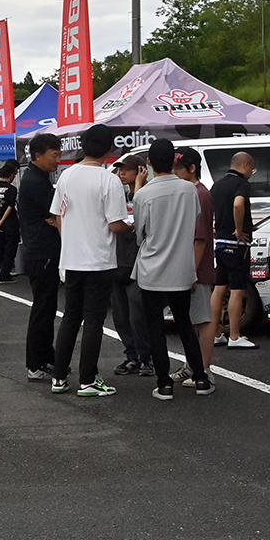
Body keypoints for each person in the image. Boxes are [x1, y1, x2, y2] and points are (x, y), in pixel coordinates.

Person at [47, 124, 128, 397]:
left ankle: (59, 377)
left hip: (71, 259)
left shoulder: (66, 175)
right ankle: (87, 380)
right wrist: (133, 226)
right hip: (99, 260)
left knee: (71, 316)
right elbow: (116, 225)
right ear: (108, 149)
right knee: (93, 320)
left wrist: (70, 238)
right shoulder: (109, 179)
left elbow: (58, 216)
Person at [134, 137, 212, 399]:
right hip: (182, 267)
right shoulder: (190, 191)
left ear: (150, 162)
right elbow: (195, 223)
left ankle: (164, 383)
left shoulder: (143, 194)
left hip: (152, 269)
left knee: (155, 326)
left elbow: (140, 234)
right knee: (185, 324)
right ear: (173, 161)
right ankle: (200, 378)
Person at [17, 133, 63, 381]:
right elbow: (58, 211)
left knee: (47, 308)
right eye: (54, 155)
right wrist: (56, 218)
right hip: (41, 252)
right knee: (43, 309)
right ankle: (35, 363)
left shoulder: (38, 178)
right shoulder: (35, 181)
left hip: (42, 251)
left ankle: (45, 358)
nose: (58, 159)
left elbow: (56, 215)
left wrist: (56, 218)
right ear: (38, 155)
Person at [172, 149, 218, 386]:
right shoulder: (191, 192)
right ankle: (192, 365)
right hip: (190, 267)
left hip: (196, 269)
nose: (174, 173)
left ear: (191, 168)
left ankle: (205, 369)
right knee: (191, 320)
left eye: (178, 168)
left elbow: (200, 239)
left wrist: (192, 271)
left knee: (202, 319)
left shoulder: (200, 194)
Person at [208, 152, 256, 349]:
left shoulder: (217, 185)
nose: (251, 173)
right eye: (252, 169)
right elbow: (238, 204)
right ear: (245, 165)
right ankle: (235, 336)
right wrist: (238, 229)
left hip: (220, 242)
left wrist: (213, 227)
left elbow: (208, 208)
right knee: (237, 289)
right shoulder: (241, 184)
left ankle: (215, 333)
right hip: (237, 245)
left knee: (219, 288)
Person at [107, 151, 148, 376]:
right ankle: (131, 355)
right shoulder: (117, 195)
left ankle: (146, 358)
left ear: (140, 170)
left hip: (138, 262)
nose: (121, 173)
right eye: (119, 169)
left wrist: (140, 185)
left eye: (127, 169)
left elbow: (141, 216)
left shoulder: (146, 194)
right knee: (120, 315)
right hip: (116, 260)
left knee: (137, 313)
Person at [0, 161, 21, 283]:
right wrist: (1, 221)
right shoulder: (11, 189)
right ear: (11, 174)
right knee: (10, 249)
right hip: (10, 223)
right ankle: (4, 275)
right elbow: (10, 207)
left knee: (0, 249)